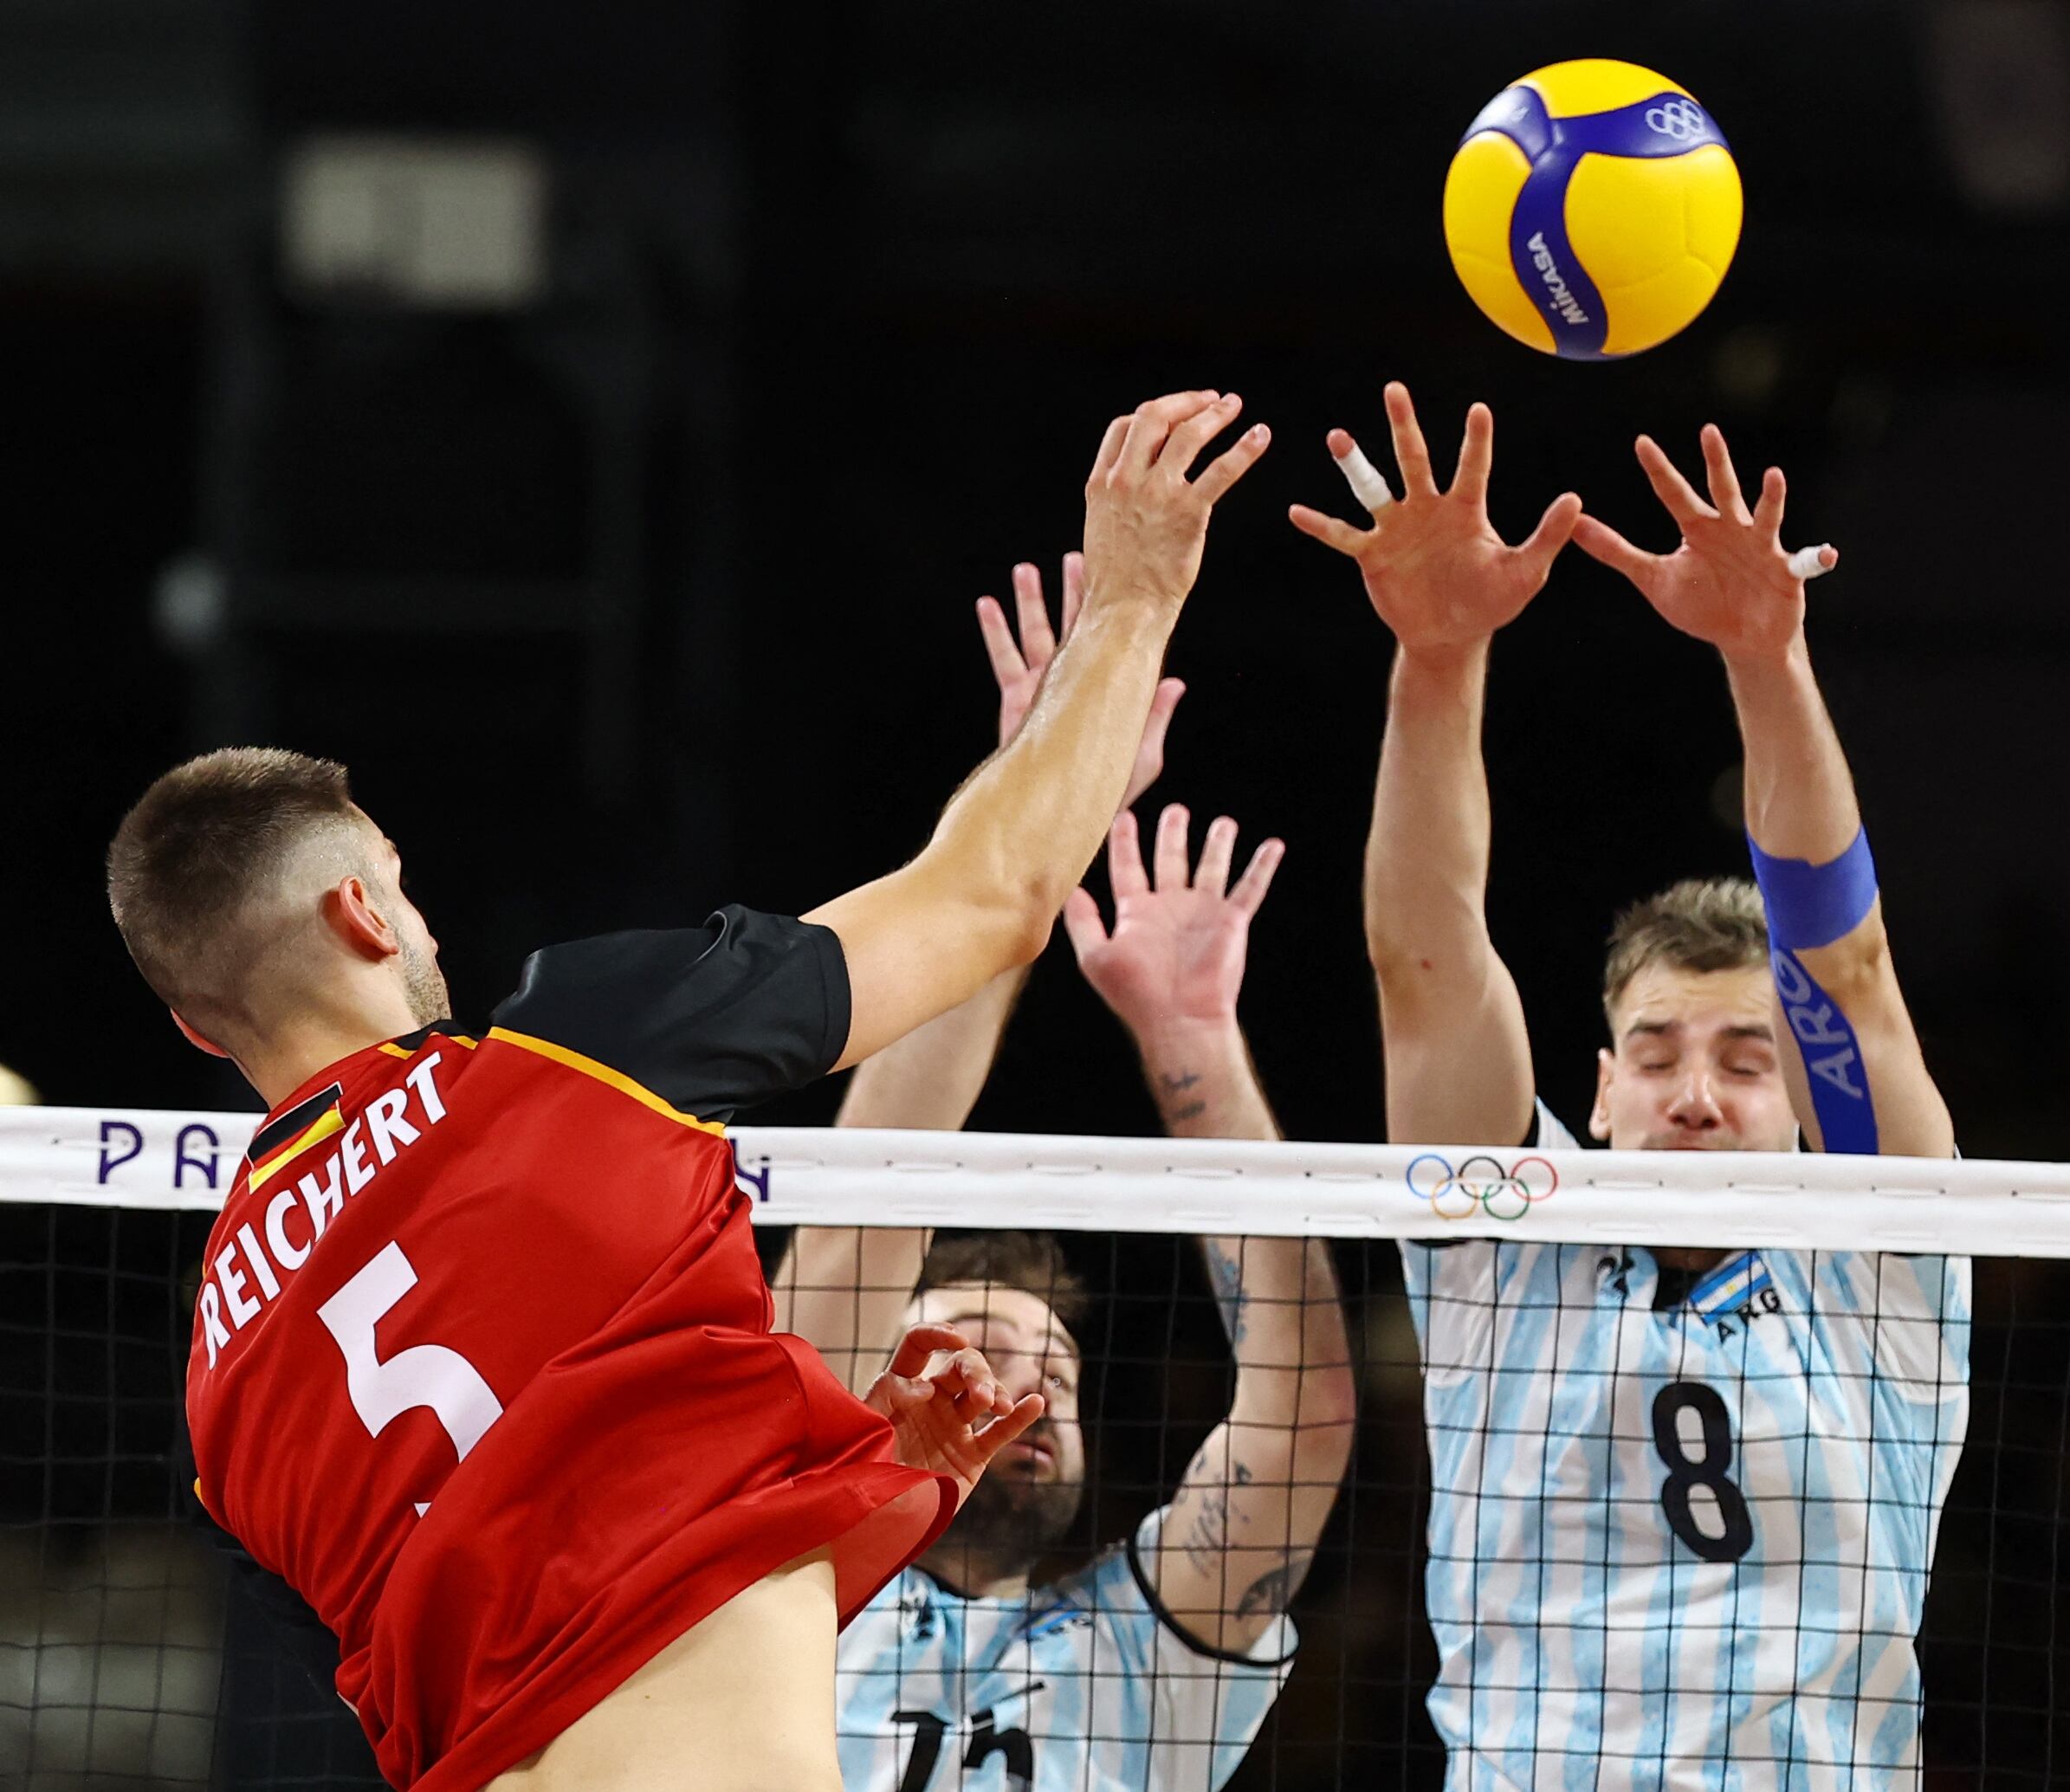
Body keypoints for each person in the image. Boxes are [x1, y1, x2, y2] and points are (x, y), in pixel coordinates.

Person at [111, 391, 1270, 1792]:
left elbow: (527, 1622)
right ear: (362, 910)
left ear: (192, 1026)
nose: (424, 927)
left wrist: (864, 1474)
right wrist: (1134, 602)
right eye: (407, 895)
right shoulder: (564, 1061)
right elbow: (994, 895)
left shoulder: (221, 1402)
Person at [1291, 385, 1967, 1789]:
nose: (1697, 1096)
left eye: (1742, 1060)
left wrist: (1766, 658)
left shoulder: (1878, 1269)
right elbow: (1422, 961)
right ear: (1596, 1091)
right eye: (1656, 1055)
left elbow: (1846, 971)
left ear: (1800, 1105)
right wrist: (1438, 656)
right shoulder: (1501, 1250)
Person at [771, 553, 1353, 1792]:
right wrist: (1035, 817)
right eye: (969, 1349)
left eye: (1055, 1376)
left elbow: (1299, 1415)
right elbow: (862, 1206)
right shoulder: (768, 1594)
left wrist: (1193, 1044)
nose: (1013, 1390)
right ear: (858, 1394)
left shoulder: (1152, 1644)